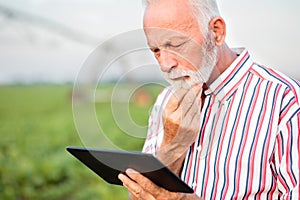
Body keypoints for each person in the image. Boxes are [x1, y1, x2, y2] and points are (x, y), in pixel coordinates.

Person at [118, 0, 300, 199]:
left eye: (175, 44)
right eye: (156, 50)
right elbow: (137, 196)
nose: (164, 64)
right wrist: (174, 143)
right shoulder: (166, 99)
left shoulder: (285, 101)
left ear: (216, 32)